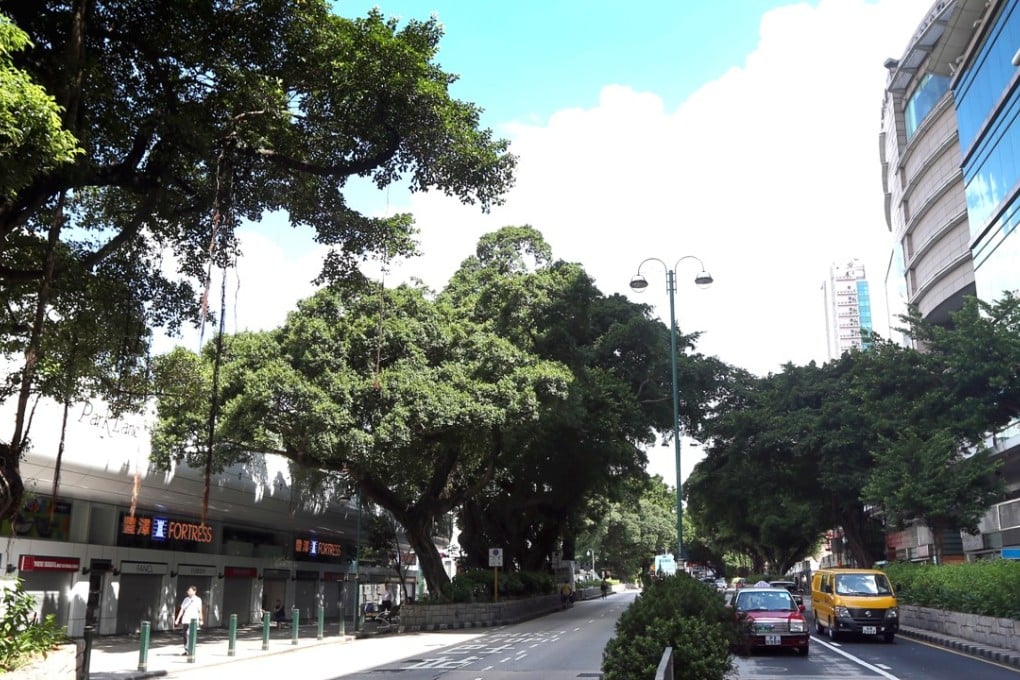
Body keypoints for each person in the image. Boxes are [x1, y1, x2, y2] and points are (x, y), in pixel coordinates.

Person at [174, 585, 203, 655]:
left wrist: (201, 619)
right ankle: (186, 650)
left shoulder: (198, 600)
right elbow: (182, 609)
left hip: (193, 620)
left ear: (194, 591)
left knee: (189, 634)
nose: (188, 592)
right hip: (186, 619)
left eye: (190, 591)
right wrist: (177, 619)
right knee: (184, 635)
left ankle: (190, 649)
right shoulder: (186, 599)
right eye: (188, 591)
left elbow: (200, 610)